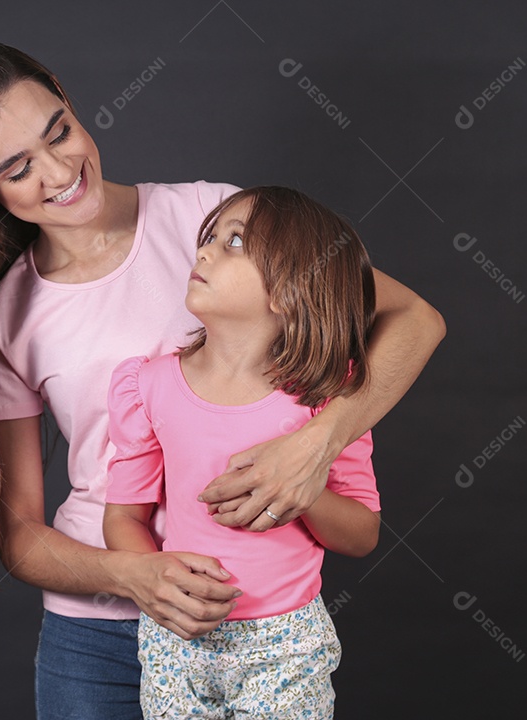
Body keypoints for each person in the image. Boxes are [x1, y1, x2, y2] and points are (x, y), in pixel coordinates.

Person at [0, 39, 444, 720]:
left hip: (250, 621)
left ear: (65, 94)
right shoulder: (5, 315)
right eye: (18, 167)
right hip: (94, 641)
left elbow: (414, 320)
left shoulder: (214, 222)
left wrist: (318, 446)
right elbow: (22, 535)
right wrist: (133, 575)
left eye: (58, 129)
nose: (62, 168)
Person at [104, 186, 382, 719]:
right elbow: (123, 518)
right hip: (176, 640)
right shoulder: (149, 386)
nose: (204, 251)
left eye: (234, 242)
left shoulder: (329, 396)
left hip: (285, 644)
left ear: (291, 290)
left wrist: (302, 487)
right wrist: (158, 580)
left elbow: (362, 533)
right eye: (208, 237)